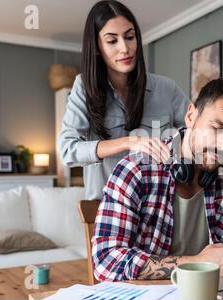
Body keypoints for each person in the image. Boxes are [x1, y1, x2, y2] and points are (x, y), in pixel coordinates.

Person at [92, 78, 223, 281]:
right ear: (190, 116)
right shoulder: (136, 169)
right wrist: (196, 263)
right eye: (216, 128)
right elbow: (105, 261)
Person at [58, 0, 189, 199]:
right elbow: (68, 150)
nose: (125, 48)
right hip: (106, 212)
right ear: (97, 47)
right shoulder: (84, 87)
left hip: (159, 210)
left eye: (129, 37)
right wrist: (129, 142)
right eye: (112, 41)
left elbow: (196, 131)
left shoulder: (167, 88)